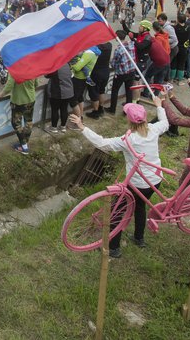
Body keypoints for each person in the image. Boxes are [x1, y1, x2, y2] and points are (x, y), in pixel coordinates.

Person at [68, 96, 167, 259]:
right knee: (140, 206)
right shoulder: (153, 129)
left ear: (129, 120)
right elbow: (165, 123)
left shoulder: (127, 140)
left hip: (136, 183)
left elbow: (101, 143)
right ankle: (139, 238)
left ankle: (113, 248)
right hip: (155, 181)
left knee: (116, 211)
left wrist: (82, 127)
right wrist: (159, 106)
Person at [0, 72, 37, 155]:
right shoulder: (33, 68)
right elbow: (36, 84)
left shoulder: (14, 70)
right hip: (31, 99)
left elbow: (9, 86)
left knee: (16, 123)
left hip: (18, 101)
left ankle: (24, 146)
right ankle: (25, 142)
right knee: (28, 121)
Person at [108, 29, 137, 115]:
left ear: (117, 37)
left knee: (115, 90)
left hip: (121, 73)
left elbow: (114, 63)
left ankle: (112, 109)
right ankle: (127, 111)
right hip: (131, 71)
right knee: (129, 91)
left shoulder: (118, 49)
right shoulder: (131, 44)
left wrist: (111, 62)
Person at [45, 63, 74, 132]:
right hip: (68, 92)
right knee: (64, 109)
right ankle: (63, 127)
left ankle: (54, 128)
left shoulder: (55, 65)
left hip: (58, 92)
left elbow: (46, 75)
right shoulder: (67, 64)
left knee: (55, 110)